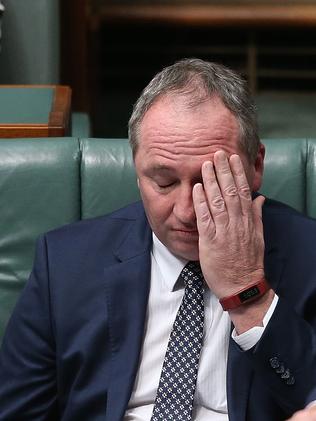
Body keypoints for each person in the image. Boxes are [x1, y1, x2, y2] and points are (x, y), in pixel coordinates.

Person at [0, 58, 316, 421]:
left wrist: (248, 294)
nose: (185, 210)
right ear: (136, 169)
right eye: (164, 182)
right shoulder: (64, 264)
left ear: (255, 166)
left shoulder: (309, 256)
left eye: (208, 181)